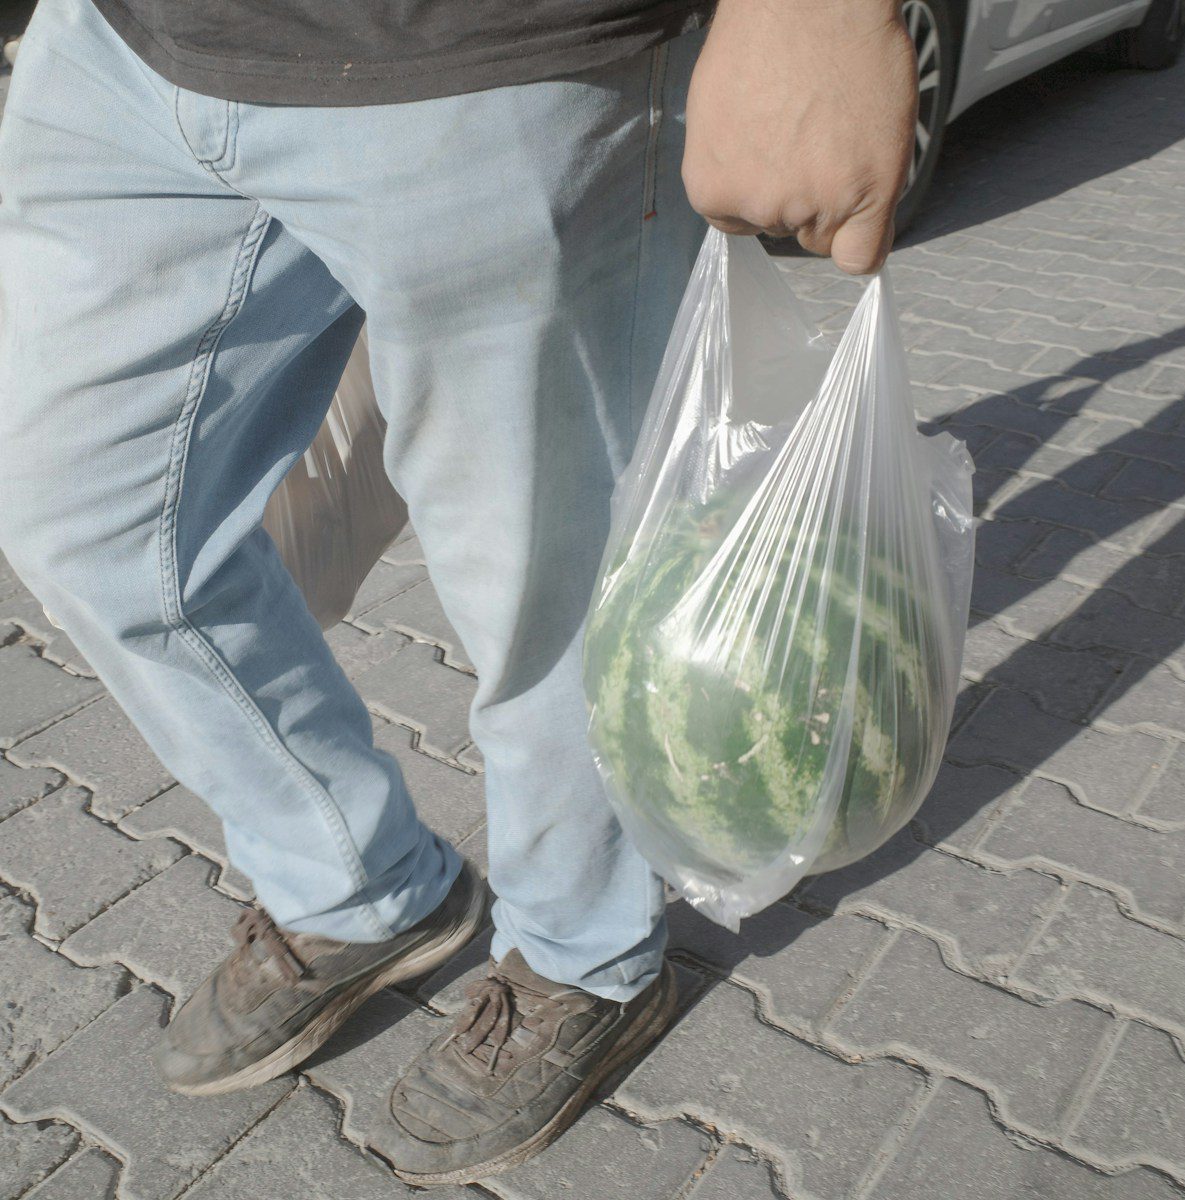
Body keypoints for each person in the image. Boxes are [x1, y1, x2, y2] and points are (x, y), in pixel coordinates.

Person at [0, 0, 916, 1184]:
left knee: (548, 574)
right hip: (127, 45)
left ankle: (588, 952)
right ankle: (359, 885)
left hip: (491, 53)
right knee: (84, 511)